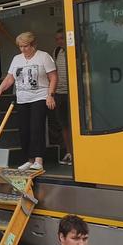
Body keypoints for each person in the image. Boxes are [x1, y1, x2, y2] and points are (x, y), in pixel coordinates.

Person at [0, 31, 58, 171]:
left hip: (40, 96)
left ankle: (39, 159)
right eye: (20, 46)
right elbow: (10, 77)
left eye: (25, 46)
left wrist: (50, 95)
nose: (23, 49)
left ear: (33, 45)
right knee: (24, 130)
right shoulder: (17, 59)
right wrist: (0, 89)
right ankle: (29, 159)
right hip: (22, 98)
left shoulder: (43, 57)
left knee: (36, 127)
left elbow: (53, 77)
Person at [53, 29, 72, 165]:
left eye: (61, 38)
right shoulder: (57, 52)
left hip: (73, 93)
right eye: (57, 39)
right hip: (60, 93)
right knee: (63, 124)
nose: (59, 41)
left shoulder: (73, 50)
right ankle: (69, 151)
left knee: (74, 124)